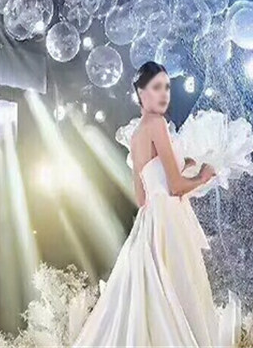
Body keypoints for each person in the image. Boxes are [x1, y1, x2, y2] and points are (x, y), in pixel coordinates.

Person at [72, 61, 223, 347]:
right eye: (156, 87)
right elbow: (175, 187)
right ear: (141, 93)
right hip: (169, 221)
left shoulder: (137, 133)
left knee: (148, 295)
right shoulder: (157, 124)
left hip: (149, 221)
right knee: (179, 293)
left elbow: (142, 198)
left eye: (167, 87)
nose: (164, 94)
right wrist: (202, 176)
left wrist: (184, 166)